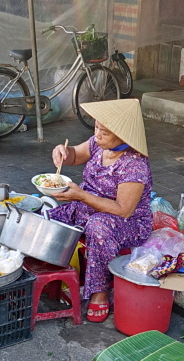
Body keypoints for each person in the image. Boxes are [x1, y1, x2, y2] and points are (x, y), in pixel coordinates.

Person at [49, 99, 153, 322]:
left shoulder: (134, 165)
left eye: (104, 131)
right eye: (96, 127)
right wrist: (63, 152)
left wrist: (82, 195)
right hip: (87, 207)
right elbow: (75, 155)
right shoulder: (99, 144)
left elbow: (123, 210)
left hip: (128, 223)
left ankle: (100, 291)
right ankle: (48, 271)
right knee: (45, 217)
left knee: (98, 226)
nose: (97, 134)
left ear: (123, 136)